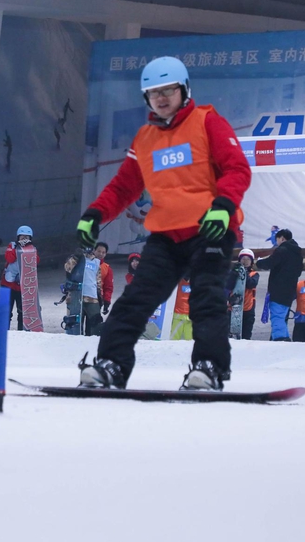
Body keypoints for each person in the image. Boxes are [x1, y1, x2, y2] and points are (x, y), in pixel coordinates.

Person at [74, 55, 251, 390]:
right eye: (154, 92)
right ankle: (111, 365)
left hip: (209, 229)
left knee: (206, 298)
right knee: (135, 300)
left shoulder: (207, 122)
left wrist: (223, 206)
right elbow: (124, 186)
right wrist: (94, 215)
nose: (162, 97)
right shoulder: (145, 138)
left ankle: (209, 368)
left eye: (169, 89)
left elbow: (237, 168)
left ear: (184, 90)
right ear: (147, 98)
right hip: (166, 236)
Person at [255, 228, 303, 341]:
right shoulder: (298, 254)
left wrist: (259, 262)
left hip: (278, 290)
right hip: (289, 292)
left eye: (277, 240)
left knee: (277, 318)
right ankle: (285, 340)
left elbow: (269, 263)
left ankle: (280, 341)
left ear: (282, 238)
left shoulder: (282, 250)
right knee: (282, 318)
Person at [1, 226, 37, 330]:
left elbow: (35, 262)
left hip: (23, 286)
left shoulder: (32, 248)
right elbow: (9, 258)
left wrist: (28, 248)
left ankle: (22, 331)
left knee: (22, 311)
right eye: (22, 237)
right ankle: (4, 330)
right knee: (6, 310)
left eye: (27, 237)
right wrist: (18, 248)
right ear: (18, 237)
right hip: (8, 284)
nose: (24, 239)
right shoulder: (12, 245)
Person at [63, 247, 103, 336]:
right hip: (75, 296)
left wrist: (100, 295)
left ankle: (93, 343)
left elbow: (98, 281)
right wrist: (76, 257)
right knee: (74, 323)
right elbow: (67, 268)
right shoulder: (75, 258)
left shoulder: (96, 262)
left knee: (95, 323)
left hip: (91, 297)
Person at [237, 249, 259, 340]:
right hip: (234, 307)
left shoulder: (254, 274)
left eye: (248, 260)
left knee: (246, 334)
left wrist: (244, 272)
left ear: (251, 262)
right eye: (243, 259)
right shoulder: (233, 273)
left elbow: (251, 284)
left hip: (248, 307)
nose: (245, 261)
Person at [94, 242, 114, 317]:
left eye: (103, 252)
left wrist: (107, 301)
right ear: (94, 251)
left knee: (92, 324)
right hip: (83, 296)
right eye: (99, 251)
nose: (101, 254)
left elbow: (108, 287)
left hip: (97, 298)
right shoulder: (86, 263)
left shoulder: (107, 268)